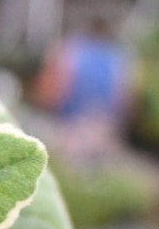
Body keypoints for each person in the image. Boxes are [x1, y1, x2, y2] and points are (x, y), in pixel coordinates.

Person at [34, 13, 131, 162]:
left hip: (70, 125)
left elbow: (55, 89)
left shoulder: (73, 49)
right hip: (103, 127)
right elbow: (124, 98)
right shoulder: (118, 57)